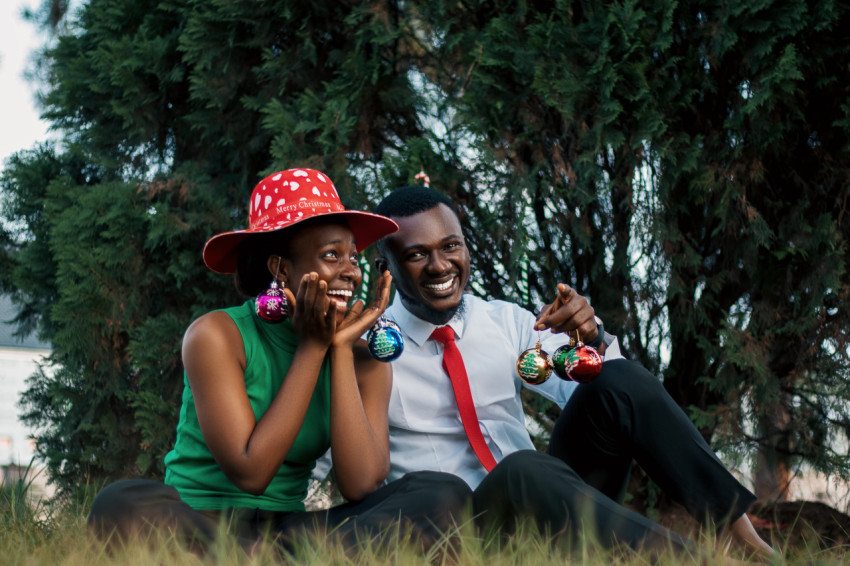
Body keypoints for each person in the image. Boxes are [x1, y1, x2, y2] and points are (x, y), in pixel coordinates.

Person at [373, 184, 775, 558]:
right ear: (384, 268)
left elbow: (611, 396)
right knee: (522, 469)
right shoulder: (367, 353)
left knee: (618, 379)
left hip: (552, 504)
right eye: (416, 254)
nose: (440, 266)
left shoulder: (504, 321)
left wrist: (591, 336)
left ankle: (741, 538)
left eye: (451, 246)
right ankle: (693, 562)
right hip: (467, 540)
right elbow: (316, 459)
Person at [87, 170, 471, 555]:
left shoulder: (363, 355)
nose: (351, 272)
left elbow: (361, 485)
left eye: (353, 256)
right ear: (281, 269)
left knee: (441, 493)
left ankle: (258, 560)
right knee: (120, 504)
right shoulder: (215, 335)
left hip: (288, 531)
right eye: (331, 255)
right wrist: (312, 347)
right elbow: (251, 472)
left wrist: (338, 351)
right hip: (202, 520)